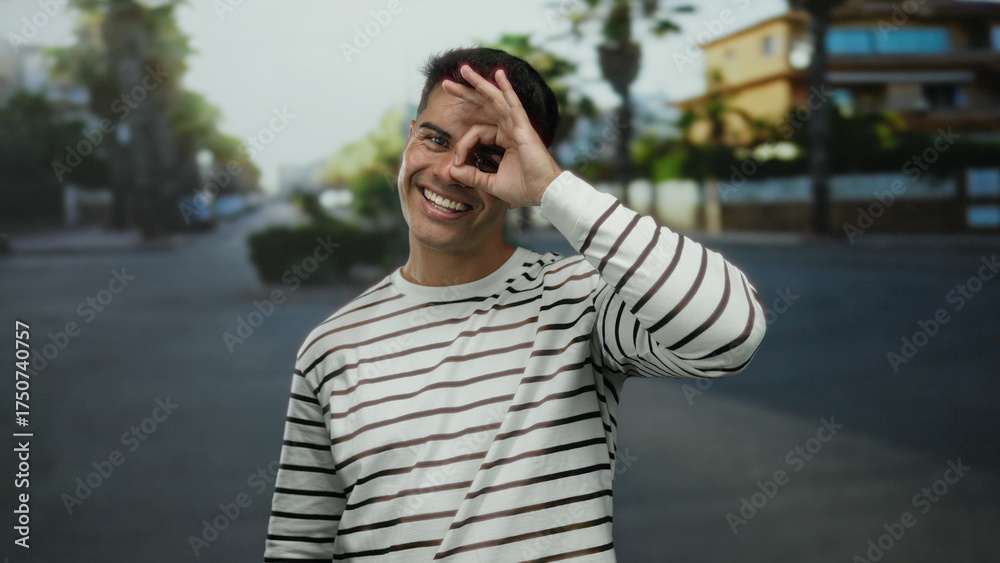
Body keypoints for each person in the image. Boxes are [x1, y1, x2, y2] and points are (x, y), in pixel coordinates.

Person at [264, 47, 766, 562]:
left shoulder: (579, 301)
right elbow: (298, 545)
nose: (451, 171)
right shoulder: (331, 345)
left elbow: (731, 334)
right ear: (409, 137)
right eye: (435, 139)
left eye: (487, 156)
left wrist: (552, 188)